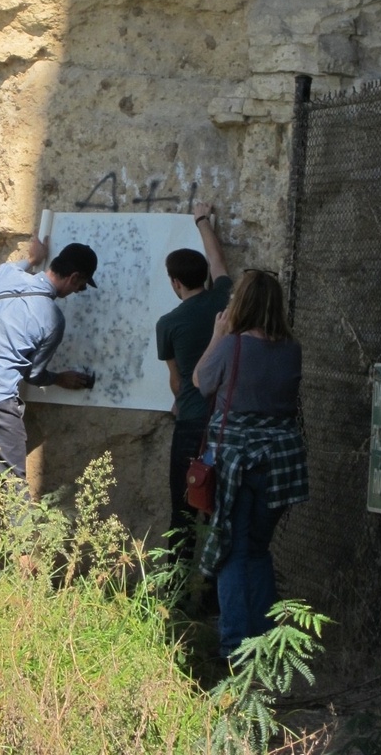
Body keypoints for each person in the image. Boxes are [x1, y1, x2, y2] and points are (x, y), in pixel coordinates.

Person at [192, 268, 308, 660]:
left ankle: (237, 646)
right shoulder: (292, 349)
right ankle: (266, 642)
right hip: (281, 464)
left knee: (231, 551)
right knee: (257, 550)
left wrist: (217, 336)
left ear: (239, 304)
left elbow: (201, 381)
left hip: (238, 464)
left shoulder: (232, 346)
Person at [0, 239, 98, 482]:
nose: (76, 291)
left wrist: (31, 259)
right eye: (80, 286)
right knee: (14, 488)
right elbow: (33, 373)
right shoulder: (52, 319)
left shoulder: (6, 275)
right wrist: (59, 379)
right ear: (73, 278)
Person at [155, 202, 232, 564]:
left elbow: (176, 378)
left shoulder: (168, 323)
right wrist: (202, 221)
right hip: (225, 420)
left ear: (175, 282)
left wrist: (181, 400)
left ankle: (177, 588)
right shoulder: (221, 297)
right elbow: (217, 260)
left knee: (183, 507)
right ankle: (214, 590)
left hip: (190, 420)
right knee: (220, 508)